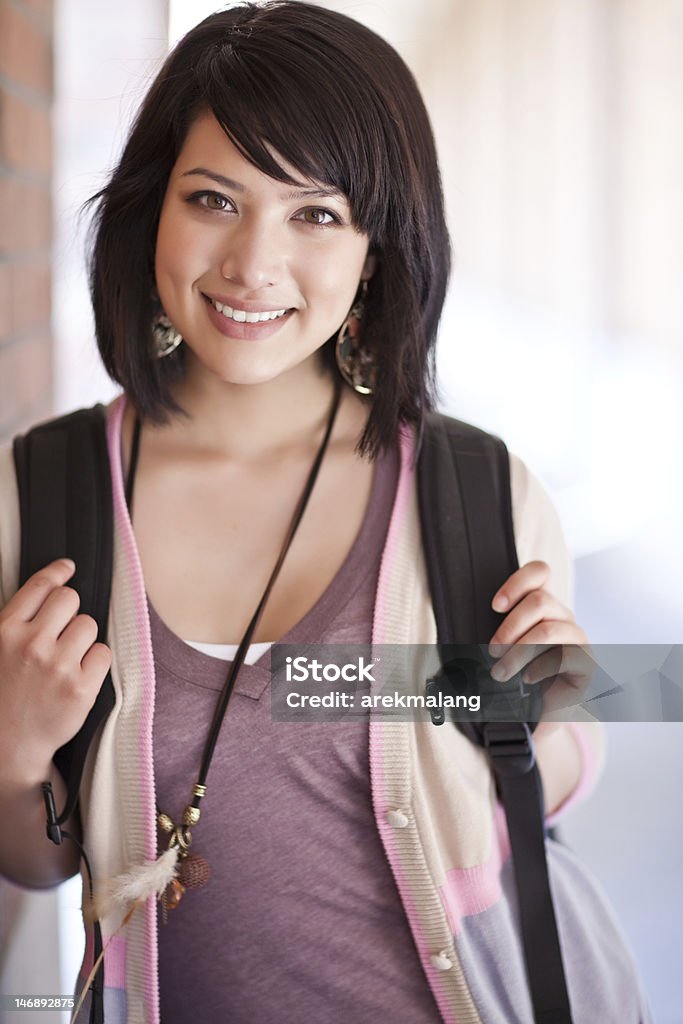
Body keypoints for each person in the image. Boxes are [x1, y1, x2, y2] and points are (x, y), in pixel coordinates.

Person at [0, 3, 651, 1022]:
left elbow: (544, 781)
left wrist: (548, 711)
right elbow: (40, 863)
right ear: (150, 211)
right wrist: (13, 748)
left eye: (315, 214)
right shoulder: (45, 495)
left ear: (375, 252)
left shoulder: (475, 491)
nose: (252, 265)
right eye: (214, 198)